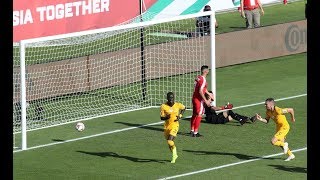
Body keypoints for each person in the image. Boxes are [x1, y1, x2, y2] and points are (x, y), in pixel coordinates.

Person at [160, 92, 186, 163]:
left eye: (172, 97)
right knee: (169, 144)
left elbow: (184, 108)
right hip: (167, 127)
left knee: (170, 141)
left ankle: (174, 155)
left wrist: (180, 116)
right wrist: (166, 117)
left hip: (175, 125)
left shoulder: (178, 105)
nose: (171, 99)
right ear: (167, 98)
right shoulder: (163, 106)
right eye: (170, 98)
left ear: (174, 98)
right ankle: (174, 154)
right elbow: (161, 118)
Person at [190, 65, 214, 137]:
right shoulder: (203, 79)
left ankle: (192, 130)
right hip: (199, 100)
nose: (208, 71)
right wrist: (206, 100)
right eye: (208, 70)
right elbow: (200, 91)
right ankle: (196, 133)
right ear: (205, 71)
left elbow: (202, 88)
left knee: (194, 114)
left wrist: (208, 93)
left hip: (194, 98)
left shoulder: (198, 77)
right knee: (199, 115)